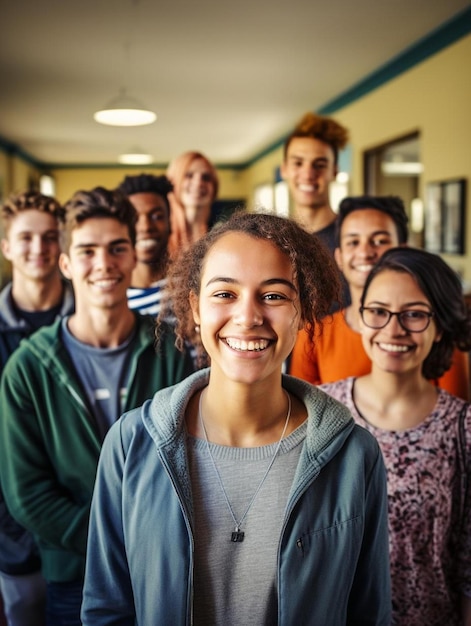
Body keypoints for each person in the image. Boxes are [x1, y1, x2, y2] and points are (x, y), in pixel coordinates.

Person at [81, 212, 391, 625]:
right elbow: (107, 610)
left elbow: (369, 614)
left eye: (275, 296)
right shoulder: (130, 443)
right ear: (194, 307)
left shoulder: (354, 455)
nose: (248, 317)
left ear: (305, 309)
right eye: (225, 294)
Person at [0, 187, 194, 626]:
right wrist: (111, 537)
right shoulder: (29, 367)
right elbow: (26, 494)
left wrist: (152, 540)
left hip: (162, 568)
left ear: (132, 257)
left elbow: (190, 461)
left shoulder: (169, 352)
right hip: (73, 574)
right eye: (87, 251)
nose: (104, 264)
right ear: (65, 263)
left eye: (116, 249)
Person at [320, 247, 471, 626]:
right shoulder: (319, 412)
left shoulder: (463, 428)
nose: (393, 329)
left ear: (440, 327)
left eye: (415, 315)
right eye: (378, 311)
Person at [289, 194, 470, 400]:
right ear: (339, 257)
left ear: (402, 250)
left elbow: (455, 414)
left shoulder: (433, 331)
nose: (365, 252)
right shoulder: (313, 337)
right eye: (353, 242)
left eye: (380, 241)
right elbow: (303, 416)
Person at [0, 190, 74, 626]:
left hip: (82, 532)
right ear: (7, 246)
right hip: (12, 537)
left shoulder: (90, 319)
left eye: (50, 238)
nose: (39, 249)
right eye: (26, 238)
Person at [281, 111, 349, 254]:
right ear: (284, 169)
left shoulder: (351, 240)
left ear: (334, 171)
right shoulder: (276, 240)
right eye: (298, 163)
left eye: (319, 165)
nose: (308, 174)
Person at [117, 173, 172, 316]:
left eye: (157, 217)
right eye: (134, 218)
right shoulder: (114, 294)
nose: (146, 226)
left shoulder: (190, 285)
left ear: (170, 223)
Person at [166, 150, 219, 257]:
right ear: (173, 182)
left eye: (206, 177)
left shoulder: (221, 236)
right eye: (189, 175)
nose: (198, 183)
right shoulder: (159, 238)